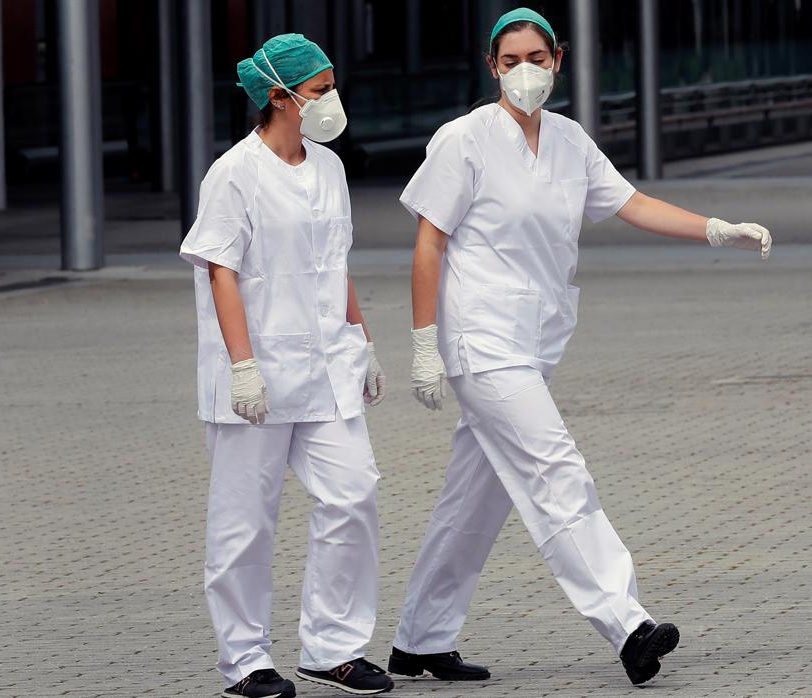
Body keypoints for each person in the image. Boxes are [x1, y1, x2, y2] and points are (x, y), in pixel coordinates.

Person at [387, 8, 772, 688]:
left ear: (558, 60)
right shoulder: (464, 140)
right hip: (481, 341)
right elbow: (429, 242)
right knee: (555, 471)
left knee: (474, 500)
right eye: (510, 62)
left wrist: (717, 228)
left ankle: (420, 638)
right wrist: (423, 344)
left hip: (533, 344)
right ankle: (627, 625)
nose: (525, 72)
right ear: (491, 66)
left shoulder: (567, 140)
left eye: (537, 57)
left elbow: (633, 204)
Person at [180, 34, 394, 698]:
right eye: (320, 89)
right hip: (260, 377)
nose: (332, 100)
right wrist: (242, 366)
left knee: (353, 493)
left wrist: (364, 340)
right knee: (245, 523)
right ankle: (245, 661)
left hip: (328, 365)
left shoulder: (328, 168)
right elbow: (222, 271)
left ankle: (332, 647)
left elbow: (337, 263)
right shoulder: (233, 174)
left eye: (331, 86)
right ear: (280, 97)